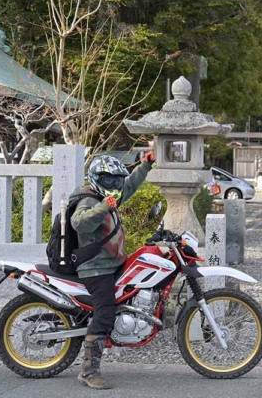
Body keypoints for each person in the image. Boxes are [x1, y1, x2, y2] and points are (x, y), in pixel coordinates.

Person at [71, 152, 155, 389]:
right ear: (96, 179)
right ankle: (89, 371)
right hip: (96, 268)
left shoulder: (109, 196)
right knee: (105, 311)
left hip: (112, 264)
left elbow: (128, 187)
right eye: (108, 180)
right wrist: (102, 208)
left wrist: (145, 165)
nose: (114, 184)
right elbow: (80, 222)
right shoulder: (88, 199)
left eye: (116, 179)